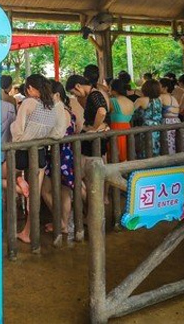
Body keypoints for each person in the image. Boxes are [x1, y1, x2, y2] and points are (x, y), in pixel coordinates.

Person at [11, 74, 66, 243]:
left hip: (22, 152)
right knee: (35, 196)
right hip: (40, 153)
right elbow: (58, 133)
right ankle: (28, 233)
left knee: (4, 177)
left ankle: (20, 185)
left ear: (29, 88)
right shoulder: (53, 106)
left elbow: (17, 132)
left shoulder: (28, 103)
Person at [41, 81, 77, 234]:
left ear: (56, 95)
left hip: (58, 155)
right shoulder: (69, 110)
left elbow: (52, 133)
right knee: (65, 191)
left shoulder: (57, 111)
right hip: (68, 154)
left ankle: (60, 221)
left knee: (45, 190)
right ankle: (64, 224)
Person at [66, 75, 110, 157]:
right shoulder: (90, 95)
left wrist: (94, 128)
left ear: (78, 86)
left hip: (95, 135)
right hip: (93, 133)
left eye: (73, 93)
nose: (75, 96)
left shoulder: (94, 95)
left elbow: (102, 112)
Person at [0, 75, 23, 197]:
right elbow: (14, 122)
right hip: (8, 141)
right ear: (9, 86)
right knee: (9, 173)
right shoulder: (11, 101)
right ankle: (15, 197)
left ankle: (16, 190)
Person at [133, 79, 163, 157]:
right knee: (156, 148)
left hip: (146, 127)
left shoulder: (141, 100)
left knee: (145, 149)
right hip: (158, 126)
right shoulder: (159, 99)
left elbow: (130, 112)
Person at [108, 79, 134, 162]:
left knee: (115, 155)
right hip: (128, 129)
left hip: (116, 130)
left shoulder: (112, 101)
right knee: (126, 154)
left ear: (114, 89)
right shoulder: (131, 102)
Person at [159, 78, 181, 154]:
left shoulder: (161, 97)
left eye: (159, 86)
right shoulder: (173, 97)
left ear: (165, 88)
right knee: (176, 143)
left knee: (167, 144)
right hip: (177, 121)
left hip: (167, 122)